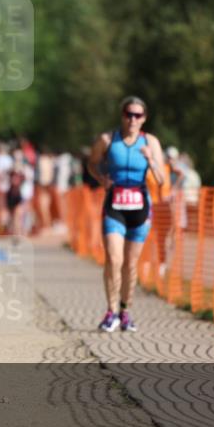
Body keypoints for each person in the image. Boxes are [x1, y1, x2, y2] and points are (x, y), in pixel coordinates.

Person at [87, 96, 167, 333]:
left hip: (140, 207)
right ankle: (110, 312)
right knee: (114, 259)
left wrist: (150, 160)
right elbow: (92, 163)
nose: (132, 119)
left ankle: (125, 311)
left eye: (137, 115)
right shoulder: (107, 140)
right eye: (128, 114)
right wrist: (101, 178)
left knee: (130, 264)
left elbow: (162, 179)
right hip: (114, 205)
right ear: (122, 115)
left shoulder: (150, 142)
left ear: (144, 119)